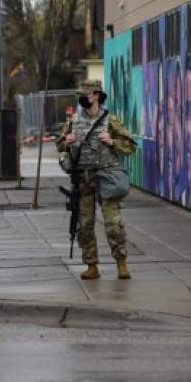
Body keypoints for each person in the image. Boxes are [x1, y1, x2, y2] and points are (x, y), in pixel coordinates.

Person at [56, 80, 137, 280]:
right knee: (85, 224)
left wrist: (112, 141)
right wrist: (66, 142)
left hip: (106, 177)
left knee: (113, 223)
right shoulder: (74, 121)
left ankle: (121, 262)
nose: (83, 98)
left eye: (86, 94)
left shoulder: (110, 120)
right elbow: (59, 145)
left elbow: (130, 146)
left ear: (97, 95)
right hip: (83, 180)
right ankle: (91, 264)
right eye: (81, 95)